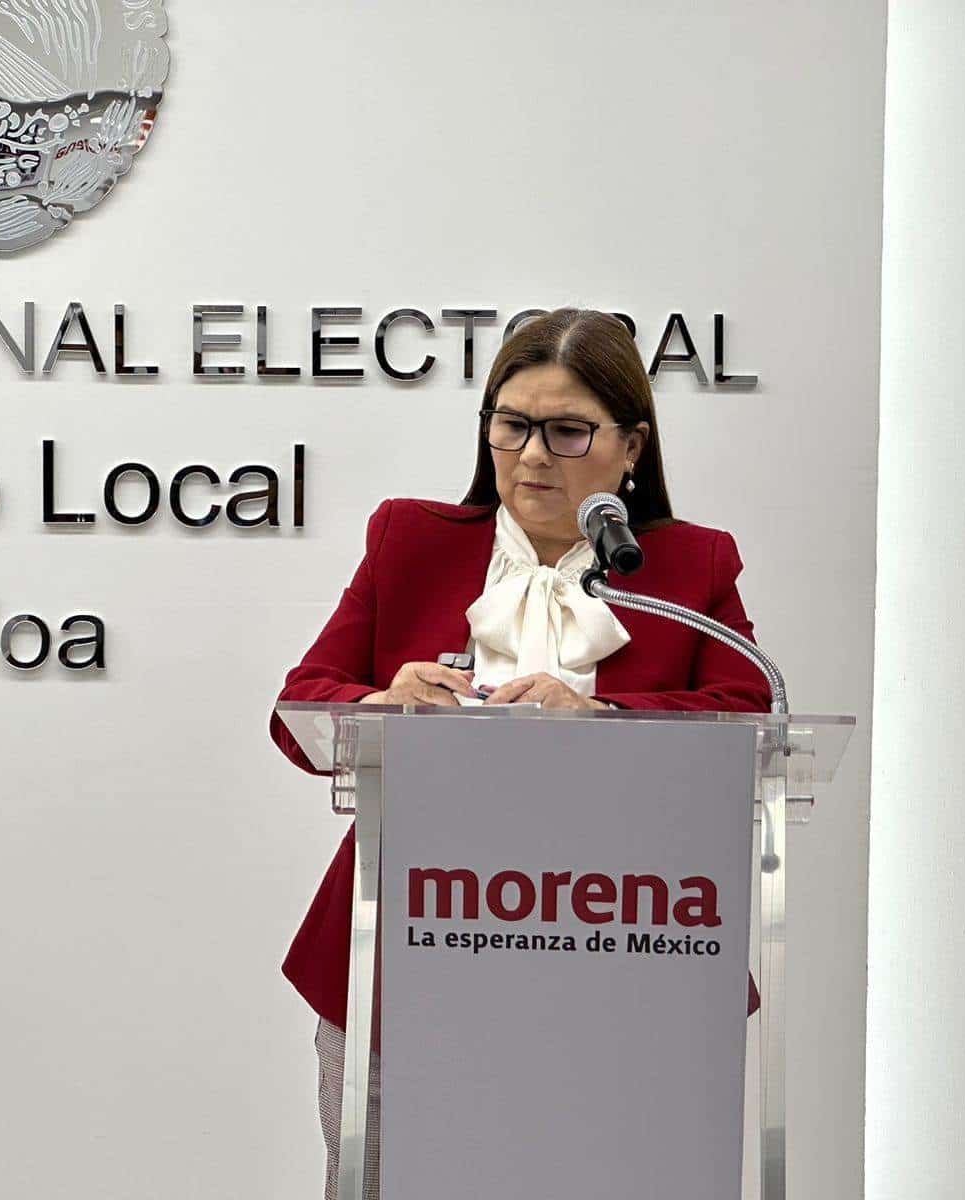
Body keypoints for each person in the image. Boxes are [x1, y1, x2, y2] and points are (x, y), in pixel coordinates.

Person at [267, 307, 773, 1199]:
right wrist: (385, 700)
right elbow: (302, 704)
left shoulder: (692, 566)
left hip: (627, 948)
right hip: (407, 948)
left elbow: (749, 710)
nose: (534, 454)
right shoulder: (410, 539)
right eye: (512, 424)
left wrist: (603, 711)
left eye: (568, 430)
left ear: (631, 448)